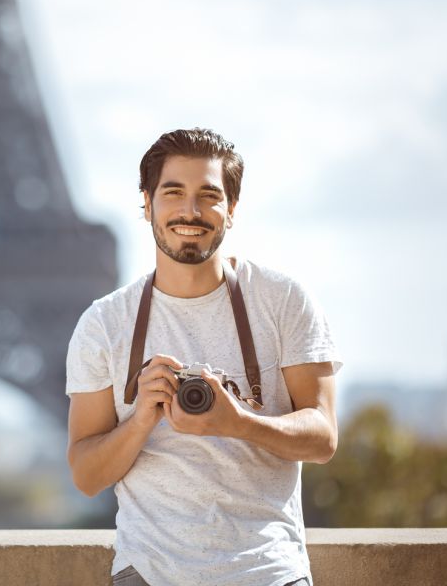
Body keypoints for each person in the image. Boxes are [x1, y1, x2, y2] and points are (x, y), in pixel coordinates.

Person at [66, 128, 341, 586]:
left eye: (208, 195)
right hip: (150, 575)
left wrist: (238, 422)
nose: (190, 211)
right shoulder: (105, 324)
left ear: (231, 209)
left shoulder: (283, 300)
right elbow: (87, 476)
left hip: (269, 572)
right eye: (173, 192)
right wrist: (140, 419)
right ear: (146, 201)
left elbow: (323, 436)